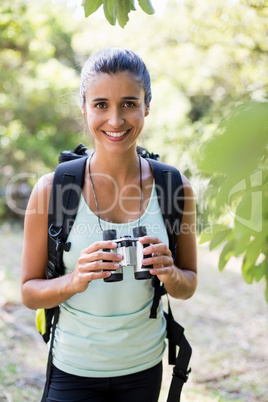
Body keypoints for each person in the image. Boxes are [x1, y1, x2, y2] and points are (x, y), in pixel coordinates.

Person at [21, 48, 197, 402]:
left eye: (129, 103)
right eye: (101, 105)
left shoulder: (175, 189)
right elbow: (28, 292)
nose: (115, 120)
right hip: (73, 369)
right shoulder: (51, 190)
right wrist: (74, 280)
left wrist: (170, 273)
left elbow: (188, 285)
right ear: (84, 108)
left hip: (144, 366)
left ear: (147, 106)